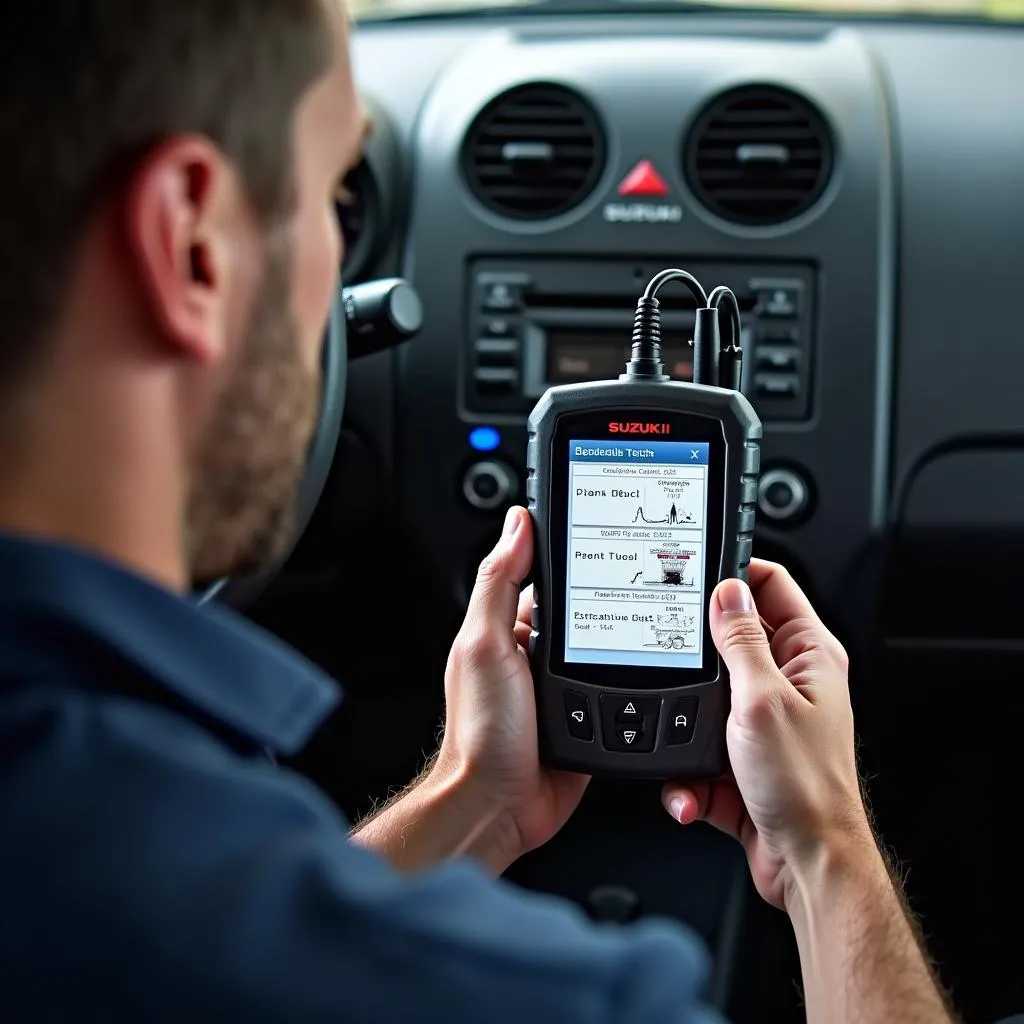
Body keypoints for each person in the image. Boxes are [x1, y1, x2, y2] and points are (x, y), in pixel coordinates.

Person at [0, 2, 959, 1022]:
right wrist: (824, 848)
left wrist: (477, 796)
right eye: (334, 195)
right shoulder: (558, 999)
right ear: (191, 244)